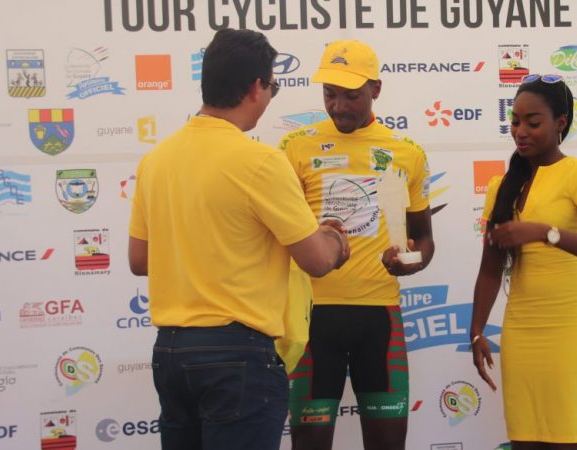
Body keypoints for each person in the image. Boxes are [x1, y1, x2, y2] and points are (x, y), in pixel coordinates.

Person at [127, 28, 350, 450]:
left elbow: (140, 259)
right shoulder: (261, 161)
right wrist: (335, 240)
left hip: (171, 351)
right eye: (273, 87)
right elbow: (317, 260)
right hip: (238, 354)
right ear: (255, 88)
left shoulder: (156, 160)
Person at [279, 39, 434, 450]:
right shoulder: (295, 147)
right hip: (311, 318)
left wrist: (411, 261)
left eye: (351, 96)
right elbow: (277, 233)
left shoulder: (407, 153)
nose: (339, 107)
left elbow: (424, 239)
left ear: (376, 89)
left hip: (378, 318)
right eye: (330, 94)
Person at [470, 74, 577, 450]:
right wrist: (476, 332)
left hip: (572, 328)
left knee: (568, 441)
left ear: (560, 123)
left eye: (533, 122)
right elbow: (489, 270)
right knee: (525, 442)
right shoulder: (501, 187)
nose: (520, 131)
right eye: (515, 121)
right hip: (521, 330)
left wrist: (544, 233)